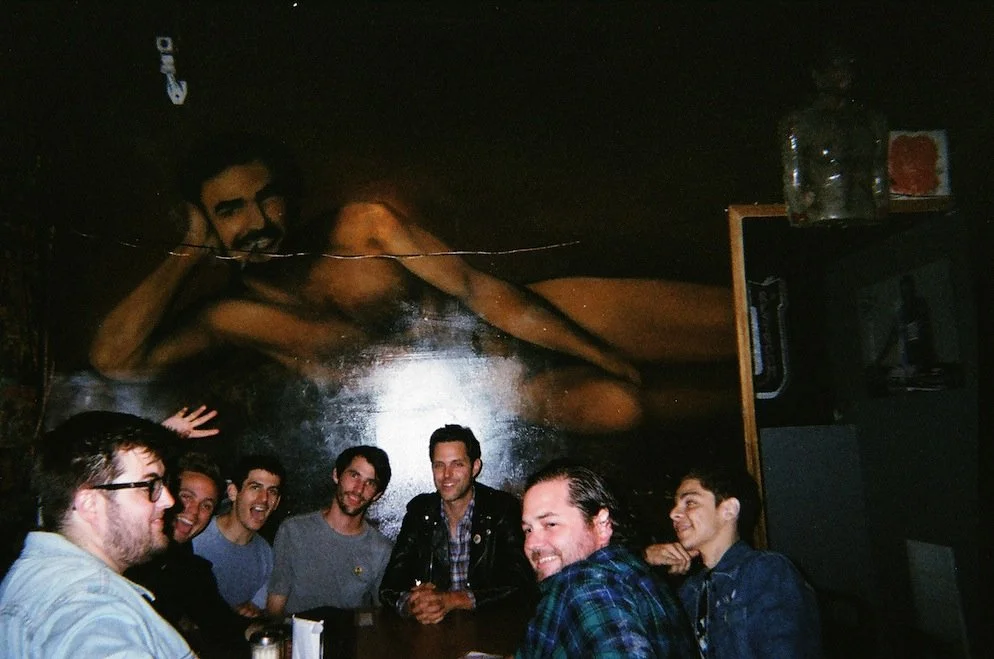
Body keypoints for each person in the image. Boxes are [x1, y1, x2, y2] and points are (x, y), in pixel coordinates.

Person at [88, 132, 736, 434]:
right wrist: (187, 251)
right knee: (626, 406)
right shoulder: (233, 316)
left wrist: (599, 349)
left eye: (266, 198)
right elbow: (114, 358)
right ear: (206, 221)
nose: (257, 222)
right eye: (230, 210)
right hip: (507, 394)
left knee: (732, 320)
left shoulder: (360, 226)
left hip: (536, 316)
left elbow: (480, 291)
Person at [0, 411, 194, 658]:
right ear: (90, 504)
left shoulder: (42, 575)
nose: (169, 500)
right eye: (149, 485)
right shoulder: (87, 602)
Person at [516, 460, 695, 658]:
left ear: (601, 524)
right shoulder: (628, 569)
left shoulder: (589, 585)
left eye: (550, 524)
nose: (532, 543)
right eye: (528, 530)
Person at [644, 466, 822, 659]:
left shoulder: (766, 571)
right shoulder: (690, 590)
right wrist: (646, 562)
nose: (673, 513)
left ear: (729, 510)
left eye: (690, 502)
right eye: (676, 504)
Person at [380, 424, 533, 623]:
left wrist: (454, 600)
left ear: (475, 467)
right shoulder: (420, 512)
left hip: (490, 627)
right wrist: (414, 603)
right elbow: (389, 588)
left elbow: (521, 585)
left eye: (457, 464)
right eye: (439, 465)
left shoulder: (500, 509)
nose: (447, 475)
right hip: (432, 630)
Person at [126, 451, 250, 658]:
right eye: (186, 496)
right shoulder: (128, 558)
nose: (193, 512)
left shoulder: (192, 569)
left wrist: (264, 630)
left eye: (206, 505)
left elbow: (222, 626)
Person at [267, 445, 394, 616]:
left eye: (370, 483)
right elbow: (275, 606)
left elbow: (381, 616)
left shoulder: (381, 550)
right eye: (354, 475)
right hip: (296, 632)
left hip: (350, 633)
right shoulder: (293, 531)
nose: (358, 489)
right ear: (336, 475)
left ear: (377, 495)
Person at [193, 453, 285, 617]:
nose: (264, 499)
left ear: (277, 502)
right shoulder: (196, 537)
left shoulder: (266, 556)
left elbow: (255, 612)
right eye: (255, 487)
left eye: (272, 491)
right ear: (233, 492)